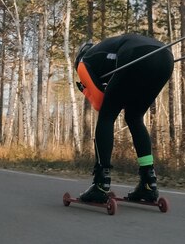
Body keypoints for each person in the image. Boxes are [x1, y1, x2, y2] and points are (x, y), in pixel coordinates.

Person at [74, 33, 174, 203]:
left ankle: (101, 184)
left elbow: (99, 102)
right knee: (134, 117)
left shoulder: (84, 62)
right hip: (165, 56)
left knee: (106, 116)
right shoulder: (105, 52)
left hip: (136, 55)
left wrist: (85, 90)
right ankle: (148, 183)